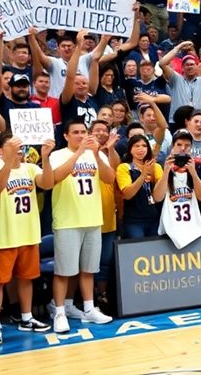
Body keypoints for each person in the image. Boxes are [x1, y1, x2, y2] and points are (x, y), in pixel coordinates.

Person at [0, 134, 55, 345]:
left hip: (29, 234)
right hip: (4, 235)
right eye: (12, 146)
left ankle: (26, 317)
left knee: (26, 278)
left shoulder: (31, 169)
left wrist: (46, 158)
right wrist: (8, 163)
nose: (18, 149)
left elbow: (48, 183)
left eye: (20, 146)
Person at [48, 118, 115, 332]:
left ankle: (89, 308)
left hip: (93, 219)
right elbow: (55, 178)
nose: (80, 135)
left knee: (88, 270)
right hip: (67, 220)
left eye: (83, 131)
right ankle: (58, 311)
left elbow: (109, 178)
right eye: (75, 132)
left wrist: (96, 154)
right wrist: (78, 154)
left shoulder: (96, 154)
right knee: (64, 271)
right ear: (66, 136)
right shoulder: (57, 155)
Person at [153, 130, 201, 249]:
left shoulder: (197, 167)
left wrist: (193, 173)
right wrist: (166, 171)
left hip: (193, 228)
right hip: (170, 229)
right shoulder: (164, 167)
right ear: (172, 146)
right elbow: (157, 197)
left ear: (191, 148)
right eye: (179, 145)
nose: (183, 148)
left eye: (187, 145)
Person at [116, 135, 163, 238]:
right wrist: (143, 175)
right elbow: (127, 194)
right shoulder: (124, 167)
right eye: (136, 146)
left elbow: (161, 193)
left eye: (144, 146)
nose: (140, 149)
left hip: (154, 217)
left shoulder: (156, 167)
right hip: (134, 220)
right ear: (130, 149)